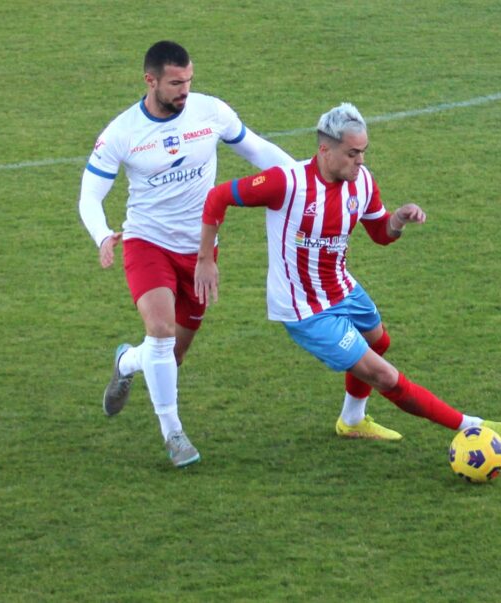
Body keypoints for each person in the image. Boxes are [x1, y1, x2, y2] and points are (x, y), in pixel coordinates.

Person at [194, 103, 501, 448]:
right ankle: (474, 427)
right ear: (325, 149)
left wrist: (398, 219)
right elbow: (218, 196)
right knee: (384, 374)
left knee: (379, 342)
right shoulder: (287, 182)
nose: (361, 161)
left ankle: (352, 420)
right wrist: (206, 258)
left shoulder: (362, 181)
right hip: (306, 309)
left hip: (341, 287)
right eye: (352, 154)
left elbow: (381, 233)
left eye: (363, 152)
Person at [78, 41, 295, 468]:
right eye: (176, 83)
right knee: (160, 330)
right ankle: (174, 435)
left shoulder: (209, 112)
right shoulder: (122, 132)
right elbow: (89, 194)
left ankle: (127, 361)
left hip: (199, 250)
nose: (185, 90)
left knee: (171, 356)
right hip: (147, 243)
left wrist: (301, 176)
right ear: (150, 80)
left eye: (189, 80)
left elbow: (256, 149)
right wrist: (102, 235)